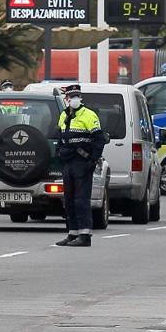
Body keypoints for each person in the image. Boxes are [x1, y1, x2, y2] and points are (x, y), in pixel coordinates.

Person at [55, 84, 108, 248]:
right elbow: (60, 137)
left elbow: (99, 140)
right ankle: (73, 233)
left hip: (82, 162)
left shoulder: (89, 115)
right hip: (68, 163)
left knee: (81, 200)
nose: (74, 99)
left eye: (77, 96)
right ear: (67, 99)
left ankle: (85, 236)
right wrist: (59, 153)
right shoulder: (64, 115)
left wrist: (92, 160)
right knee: (69, 200)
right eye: (72, 97)